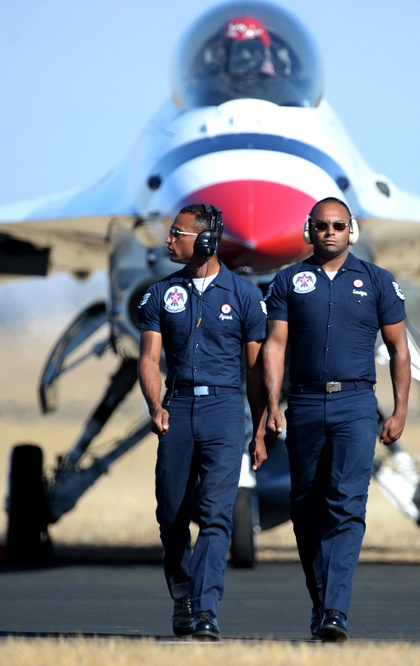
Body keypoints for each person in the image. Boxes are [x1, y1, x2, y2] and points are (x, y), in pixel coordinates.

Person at [262, 197, 411, 642]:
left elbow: (400, 350)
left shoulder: (378, 282)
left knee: (346, 507)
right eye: (322, 225)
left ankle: (335, 612)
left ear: (352, 231)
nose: (330, 232)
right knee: (306, 509)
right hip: (305, 405)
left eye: (339, 225)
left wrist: (400, 409)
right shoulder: (288, 280)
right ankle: (322, 604)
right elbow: (274, 346)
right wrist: (271, 404)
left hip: (356, 407)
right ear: (309, 229)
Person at [137, 203, 268, 641]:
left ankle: (207, 610)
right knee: (171, 513)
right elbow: (149, 359)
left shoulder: (245, 296)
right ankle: (183, 596)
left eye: (177, 232)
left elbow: (254, 369)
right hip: (178, 410)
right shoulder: (159, 295)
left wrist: (261, 424)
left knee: (215, 515)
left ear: (207, 241)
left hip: (225, 412)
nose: (168, 239)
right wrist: (156, 406)